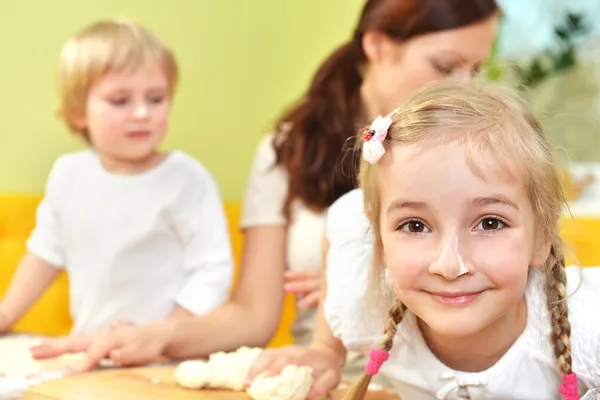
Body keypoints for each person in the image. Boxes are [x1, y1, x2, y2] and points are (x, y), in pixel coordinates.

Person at [29, 0, 499, 375]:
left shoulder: (477, 151)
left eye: (475, 70)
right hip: (325, 377)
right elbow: (253, 316)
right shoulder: (289, 151)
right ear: (377, 46)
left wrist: (365, 279)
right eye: (445, 66)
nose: (464, 87)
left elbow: (510, 277)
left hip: (445, 378)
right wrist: (159, 336)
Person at [249, 81, 600, 399]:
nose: (450, 265)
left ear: (541, 237)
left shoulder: (589, 331)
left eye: (490, 222)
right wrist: (327, 350)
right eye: (415, 226)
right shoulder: (364, 310)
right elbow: (346, 217)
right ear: (380, 240)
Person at [0, 19, 234, 344]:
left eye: (155, 99)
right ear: (78, 112)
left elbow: (212, 269)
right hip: (89, 347)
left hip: (166, 358)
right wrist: (7, 315)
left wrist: (163, 334)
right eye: (120, 101)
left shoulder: (186, 178)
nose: (142, 113)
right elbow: (45, 253)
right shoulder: (68, 175)